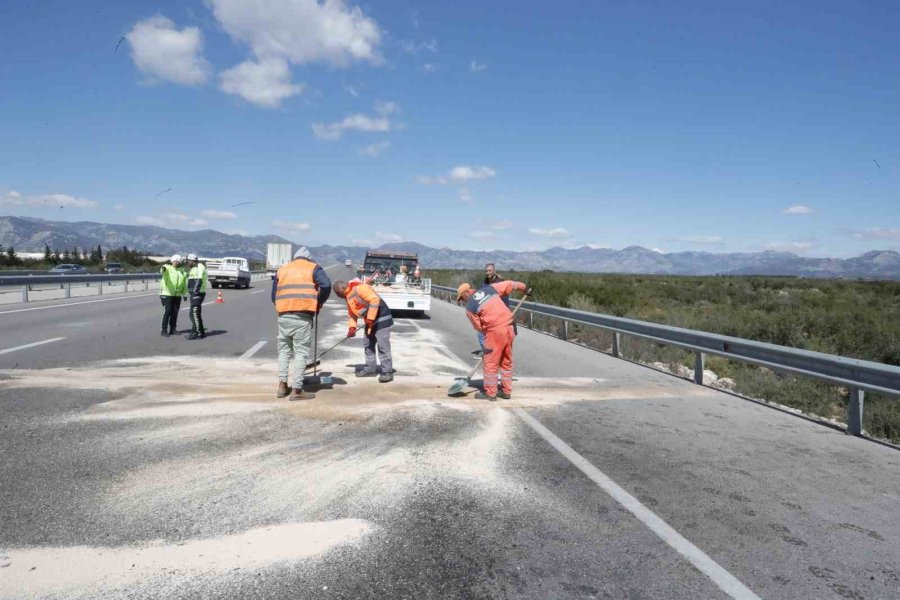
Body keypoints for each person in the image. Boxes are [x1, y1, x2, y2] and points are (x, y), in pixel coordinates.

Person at [272, 246, 332, 401]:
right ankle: (297, 390)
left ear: (295, 257)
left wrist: (283, 305)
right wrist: (318, 302)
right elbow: (326, 285)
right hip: (302, 315)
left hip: (283, 315)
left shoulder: (282, 269)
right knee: (300, 352)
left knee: (284, 351)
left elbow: (274, 295)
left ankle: (282, 386)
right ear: (308, 258)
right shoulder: (313, 268)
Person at [456, 280, 532, 401]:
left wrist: (489, 339)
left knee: (490, 362)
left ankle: (490, 393)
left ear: (466, 293)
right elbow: (509, 284)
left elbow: (479, 327)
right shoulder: (489, 289)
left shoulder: (470, 307)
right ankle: (506, 391)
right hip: (510, 326)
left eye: (461, 298)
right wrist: (524, 287)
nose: (463, 301)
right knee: (506, 361)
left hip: (495, 331)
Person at [333, 279, 394, 383]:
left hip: (381, 317)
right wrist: (352, 327)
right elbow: (352, 314)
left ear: (341, 289)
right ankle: (370, 368)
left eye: (338, 293)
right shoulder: (348, 296)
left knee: (383, 345)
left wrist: (370, 318)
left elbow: (375, 300)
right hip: (371, 320)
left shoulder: (360, 288)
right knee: (368, 343)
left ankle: (387, 372)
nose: (338, 296)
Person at [159, 254, 187, 337]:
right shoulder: (167, 268)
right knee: (167, 312)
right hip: (167, 294)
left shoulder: (182, 271)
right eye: (175, 261)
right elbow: (162, 270)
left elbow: (184, 284)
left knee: (175, 312)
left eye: (178, 261)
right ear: (172, 261)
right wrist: (163, 268)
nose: (176, 263)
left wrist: (185, 294)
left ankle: (173, 329)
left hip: (177, 295)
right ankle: (163, 330)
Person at [185, 253, 208, 340]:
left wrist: (195, 292)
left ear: (192, 261)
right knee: (195, 314)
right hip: (194, 293)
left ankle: (196, 333)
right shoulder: (193, 268)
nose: (187, 262)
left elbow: (199, 280)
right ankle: (200, 331)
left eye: (188, 261)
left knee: (194, 313)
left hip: (197, 293)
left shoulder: (199, 267)